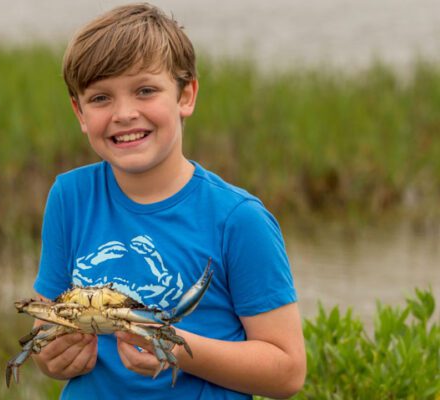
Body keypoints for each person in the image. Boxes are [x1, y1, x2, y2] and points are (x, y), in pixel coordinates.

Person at [30, 3, 306, 399]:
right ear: (79, 112)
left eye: (145, 90)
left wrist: (176, 348)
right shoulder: (70, 197)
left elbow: (287, 372)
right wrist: (51, 358)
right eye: (100, 98)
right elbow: (46, 326)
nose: (124, 114)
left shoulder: (238, 220)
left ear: (186, 94)